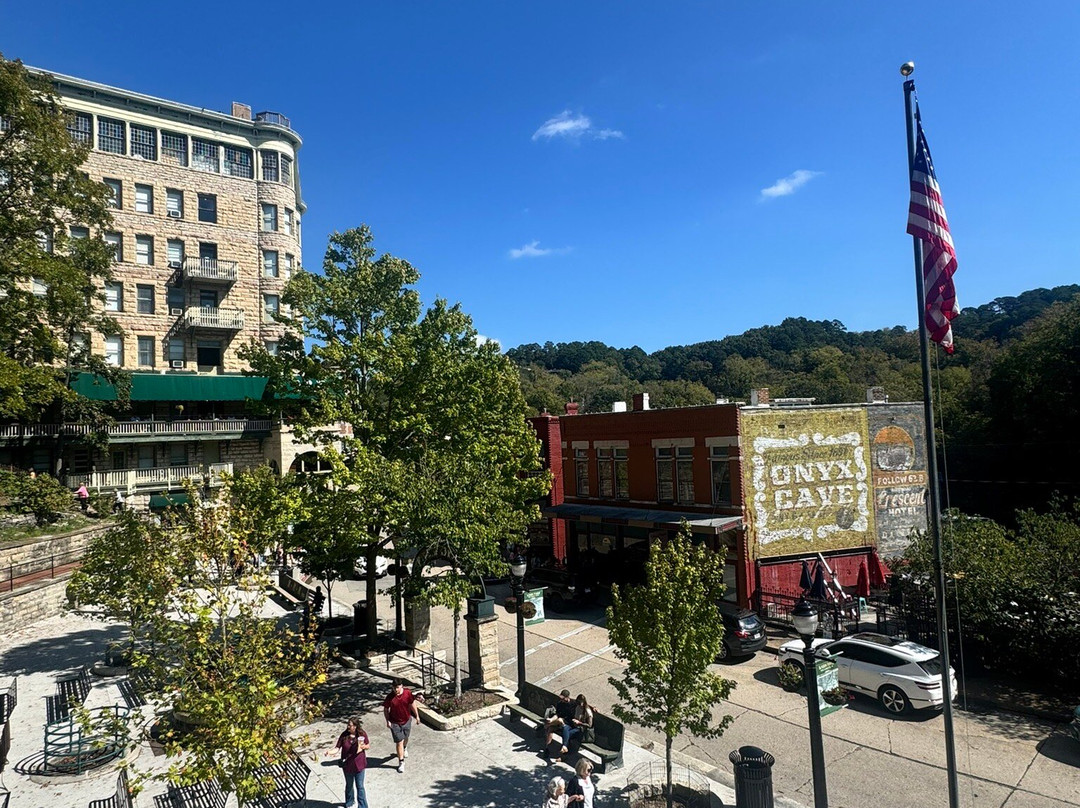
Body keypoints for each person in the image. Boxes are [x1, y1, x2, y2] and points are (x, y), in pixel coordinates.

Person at [327, 717, 369, 808]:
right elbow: (337, 748)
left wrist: (363, 747)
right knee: (349, 785)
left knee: (360, 786)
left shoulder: (362, 734)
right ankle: (349, 802)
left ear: (355, 726)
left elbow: (367, 745)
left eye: (351, 725)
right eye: (348, 725)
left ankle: (363, 806)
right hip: (347, 765)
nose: (349, 727)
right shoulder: (344, 735)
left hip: (359, 765)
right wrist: (329, 752)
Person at [383, 678, 424, 773]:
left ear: (401, 686)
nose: (395, 690)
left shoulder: (407, 693)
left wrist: (417, 716)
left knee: (406, 738)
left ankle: (405, 747)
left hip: (406, 720)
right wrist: (387, 720)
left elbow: (412, 704)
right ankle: (401, 762)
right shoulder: (390, 697)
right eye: (394, 688)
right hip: (395, 723)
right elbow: (386, 709)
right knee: (399, 742)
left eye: (397, 687)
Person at [544, 689, 576, 761]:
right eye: (561, 698)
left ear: (567, 697)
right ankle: (547, 748)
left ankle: (548, 724)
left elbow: (584, 704)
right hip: (560, 722)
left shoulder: (573, 703)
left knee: (560, 721)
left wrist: (594, 708)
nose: (561, 700)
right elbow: (557, 714)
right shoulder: (560, 703)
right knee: (550, 729)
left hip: (569, 724)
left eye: (563, 698)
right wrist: (551, 719)